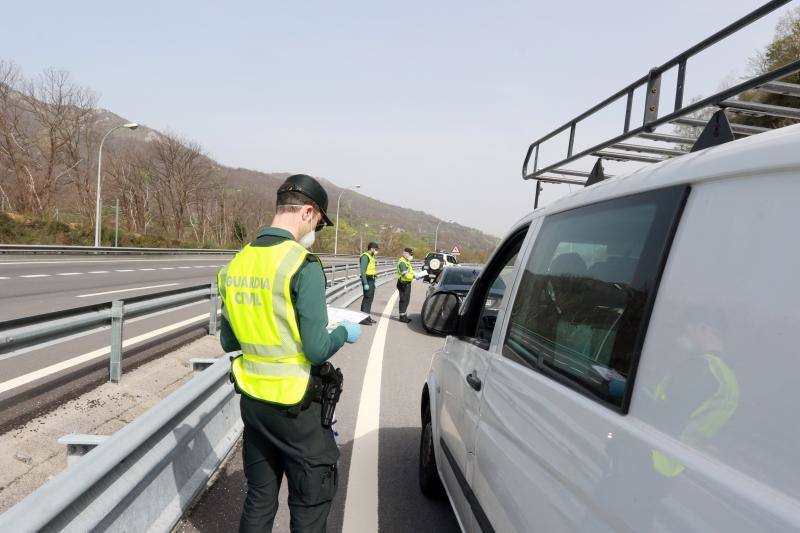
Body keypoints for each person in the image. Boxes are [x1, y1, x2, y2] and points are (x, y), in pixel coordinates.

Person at [217, 174, 362, 533]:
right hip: (297, 407)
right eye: (319, 223)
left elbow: (228, 342)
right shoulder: (302, 263)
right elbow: (315, 349)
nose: (316, 231)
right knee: (311, 500)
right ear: (308, 212)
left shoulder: (236, 264)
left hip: (253, 401)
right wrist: (343, 332)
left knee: (259, 499)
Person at [359, 242, 379, 324]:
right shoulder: (365, 256)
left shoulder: (371, 256)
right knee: (366, 299)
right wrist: (365, 283)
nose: (377, 251)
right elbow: (363, 271)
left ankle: (367, 317)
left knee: (370, 299)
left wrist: (374, 281)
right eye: (376, 249)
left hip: (371, 280)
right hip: (367, 280)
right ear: (372, 249)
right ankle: (362, 318)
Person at [396, 247, 415, 323]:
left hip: (407, 283)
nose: (411, 256)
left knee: (407, 299)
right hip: (403, 283)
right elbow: (405, 274)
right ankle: (402, 316)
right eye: (410, 254)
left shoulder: (407, 261)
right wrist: (414, 276)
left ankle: (404, 315)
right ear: (406, 254)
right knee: (403, 300)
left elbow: (411, 272)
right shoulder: (402, 262)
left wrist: (418, 275)